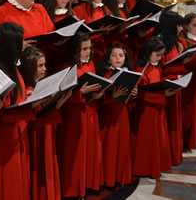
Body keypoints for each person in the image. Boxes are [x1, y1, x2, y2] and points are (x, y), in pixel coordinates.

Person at [0, 22, 40, 200]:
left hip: (16, 134)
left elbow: (15, 99)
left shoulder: (11, 68)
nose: (24, 45)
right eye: (20, 41)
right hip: (4, 139)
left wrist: (27, 96)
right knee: (7, 182)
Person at [19, 46, 71, 200]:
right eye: (40, 66)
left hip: (47, 132)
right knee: (38, 168)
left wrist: (59, 103)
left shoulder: (41, 84)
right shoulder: (27, 89)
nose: (44, 69)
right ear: (30, 68)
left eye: (44, 65)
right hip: (35, 136)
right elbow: (32, 116)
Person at [55, 32, 104, 198]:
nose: (88, 52)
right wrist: (80, 93)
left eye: (89, 48)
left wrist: (98, 94)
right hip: (73, 117)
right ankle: (73, 189)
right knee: (74, 153)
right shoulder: (65, 67)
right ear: (76, 50)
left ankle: (88, 183)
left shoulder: (90, 65)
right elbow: (60, 98)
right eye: (84, 49)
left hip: (90, 113)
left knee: (89, 151)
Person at [131, 36, 172, 179]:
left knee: (157, 138)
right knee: (146, 140)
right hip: (146, 111)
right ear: (148, 52)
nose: (160, 58)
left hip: (157, 109)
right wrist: (163, 95)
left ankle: (155, 165)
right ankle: (144, 168)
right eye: (158, 55)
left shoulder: (156, 67)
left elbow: (157, 83)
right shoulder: (141, 70)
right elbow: (141, 94)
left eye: (161, 55)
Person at [154, 12, 191, 166]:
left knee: (174, 123)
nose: (181, 29)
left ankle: (174, 155)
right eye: (178, 25)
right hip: (166, 88)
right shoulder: (159, 44)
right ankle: (165, 158)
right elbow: (158, 70)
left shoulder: (176, 43)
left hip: (176, 86)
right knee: (166, 125)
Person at [96, 45, 136, 188]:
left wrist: (133, 95)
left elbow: (130, 102)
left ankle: (119, 177)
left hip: (122, 114)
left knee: (122, 145)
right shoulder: (105, 74)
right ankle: (107, 179)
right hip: (108, 115)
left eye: (121, 55)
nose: (118, 58)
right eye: (114, 55)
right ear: (108, 58)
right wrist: (112, 97)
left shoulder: (129, 73)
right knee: (109, 146)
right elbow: (98, 100)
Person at [181, 13, 196, 149]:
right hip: (191, 78)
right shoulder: (185, 41)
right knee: (191, 109)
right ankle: (189, 139)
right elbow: (184, 61)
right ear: (186, 26)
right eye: (194, 25)